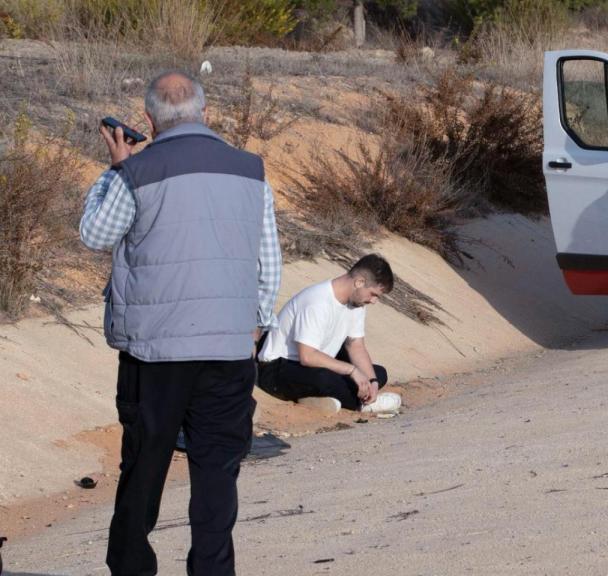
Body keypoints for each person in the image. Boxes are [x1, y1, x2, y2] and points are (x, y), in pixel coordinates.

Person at [80, 71, 281, 575]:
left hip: (155, 355)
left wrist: (114, 170)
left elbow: (94, 234)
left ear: (148, 120)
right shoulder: (251, 171)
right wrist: (255, 323)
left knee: (143, 472)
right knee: (217, 475)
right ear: (205, 113)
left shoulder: (136, 172)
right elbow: (269, 260)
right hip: (229, 349)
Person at [257, 254, 399, 414]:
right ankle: (363, 405)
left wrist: (372, 382)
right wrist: (352, 371)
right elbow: (307, 357)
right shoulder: (317, 301)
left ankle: (320, 398)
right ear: (359, 282)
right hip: (278, 368)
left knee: (378, 373)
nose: (373, 301)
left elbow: (356, 346)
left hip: (315, 363)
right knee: (324, 379)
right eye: (373, 294)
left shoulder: (357, 305)